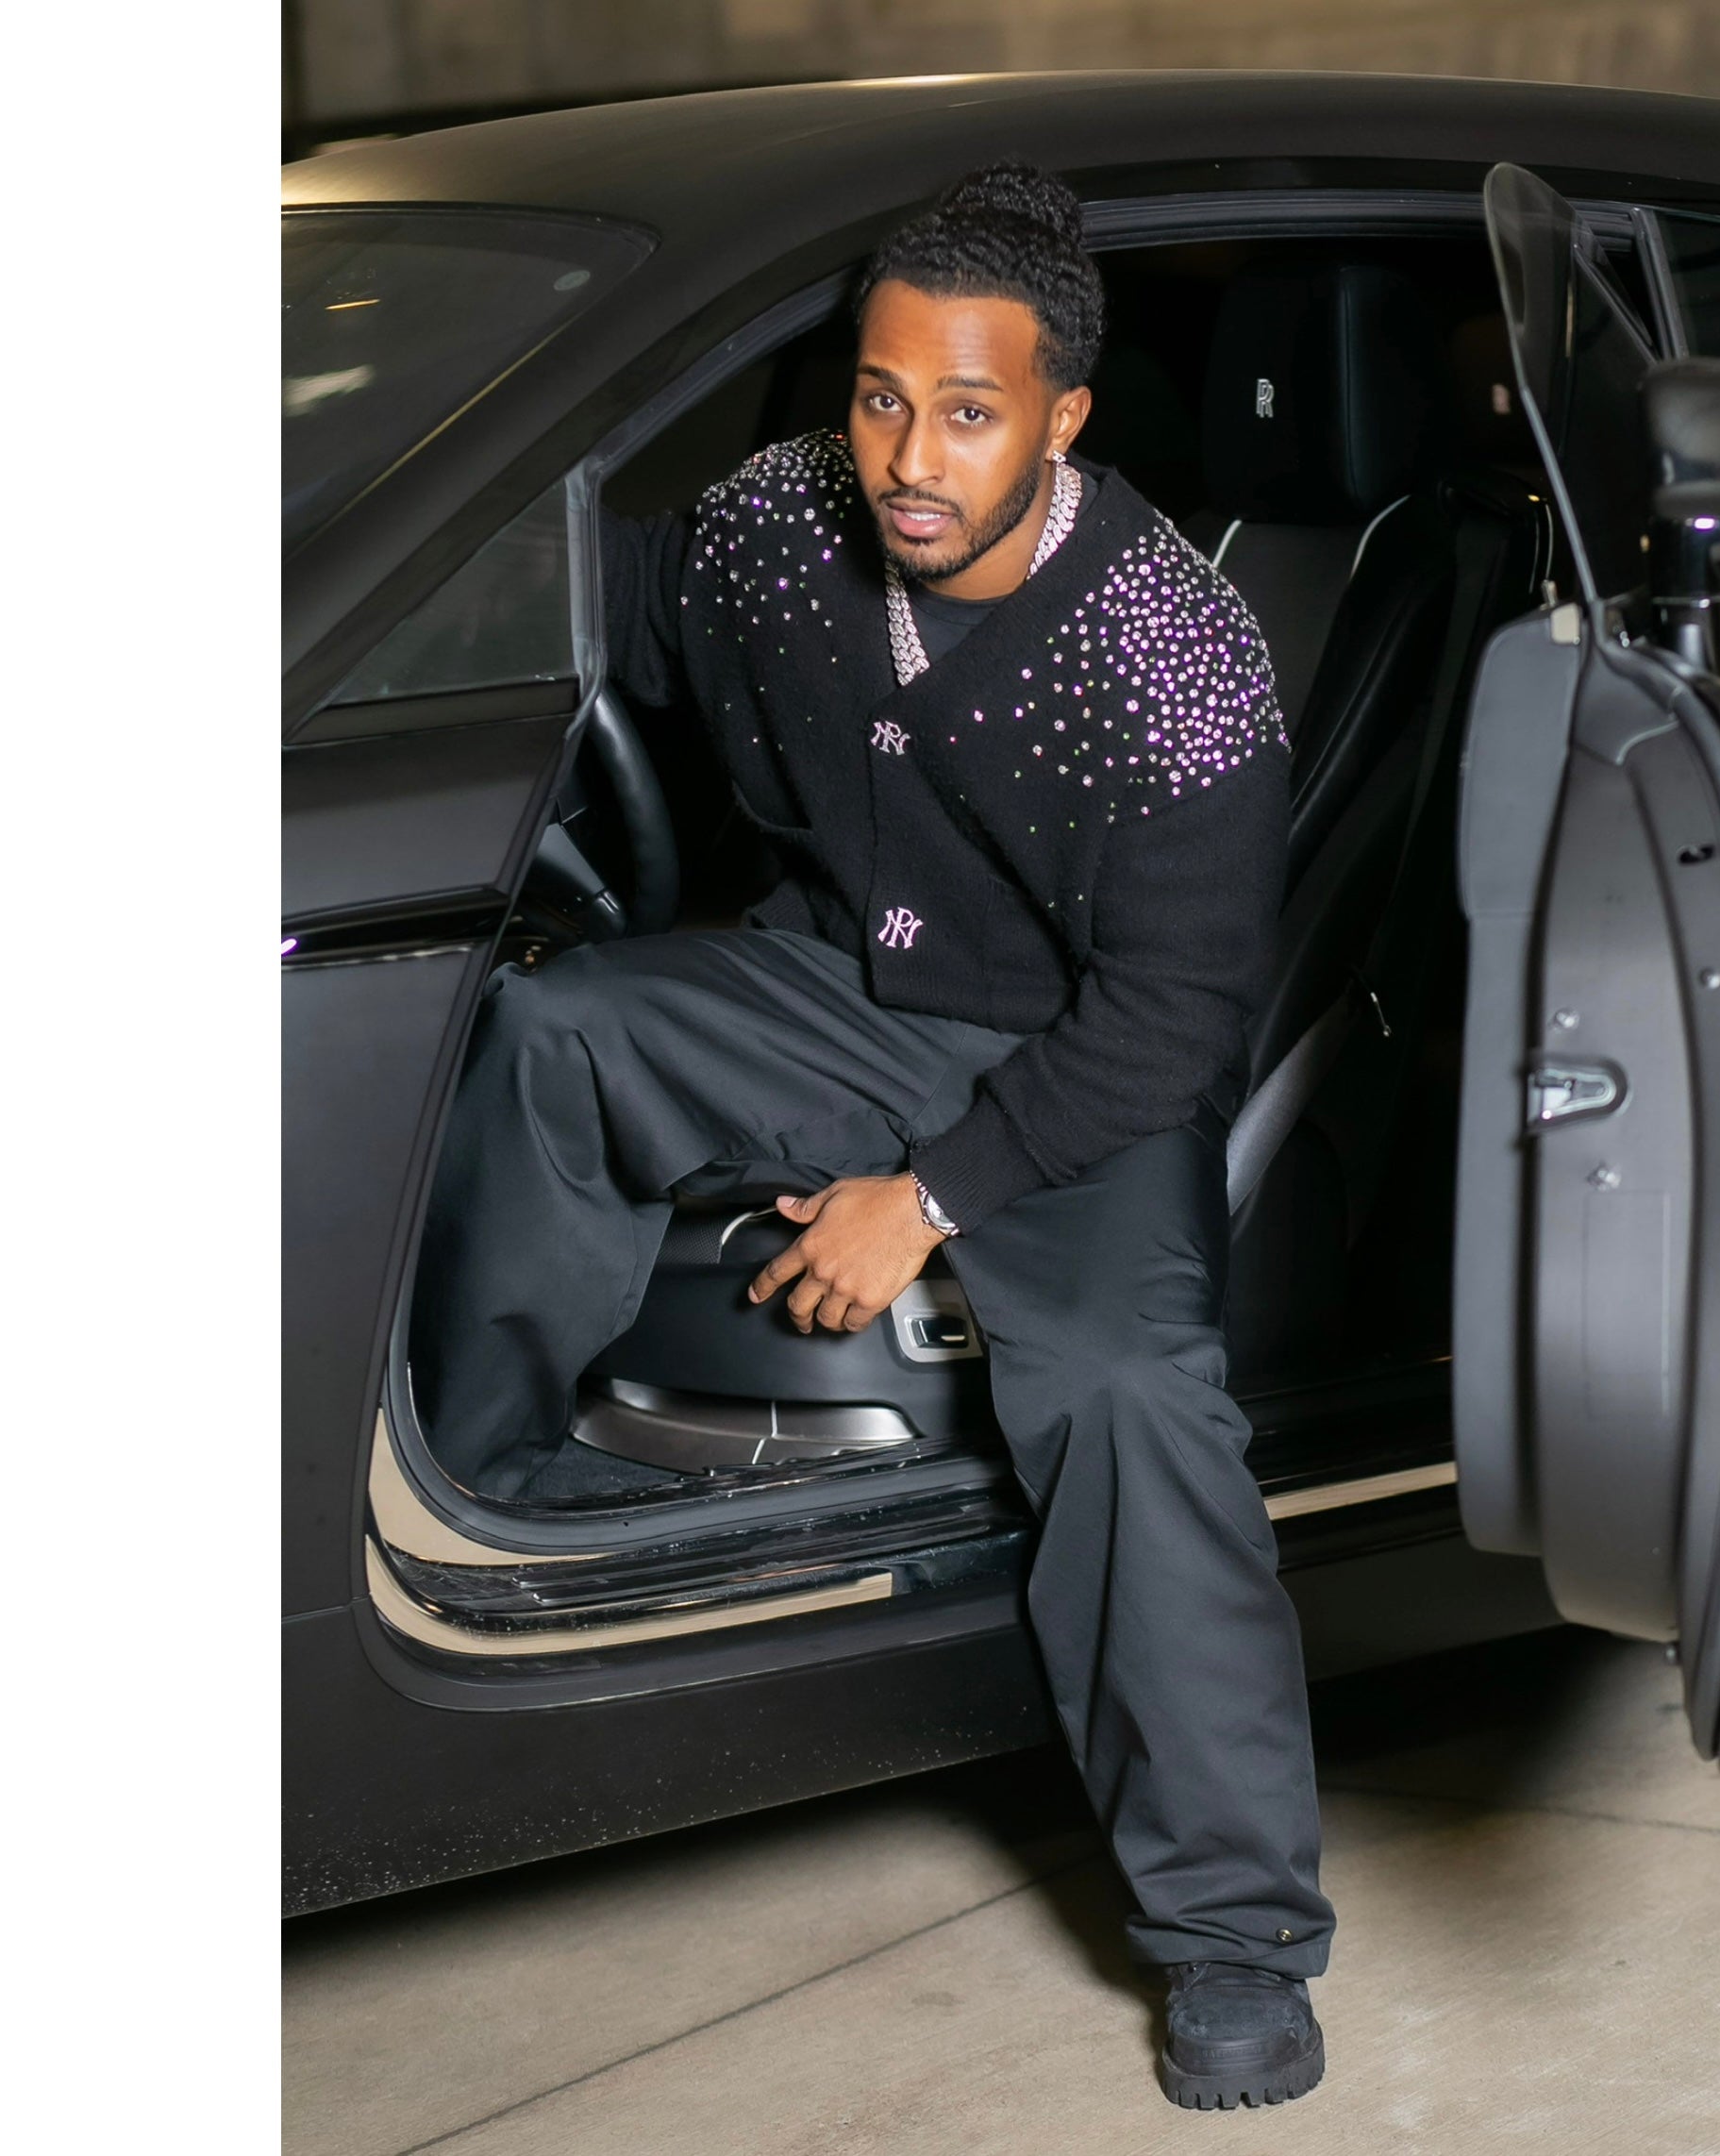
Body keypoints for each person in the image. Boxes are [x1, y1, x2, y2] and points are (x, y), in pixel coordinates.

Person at [411, 162, 1332, 2110]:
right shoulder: (780, 528)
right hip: (830, 993)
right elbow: (596, 604)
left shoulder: (1174, 660)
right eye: (880, 395)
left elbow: (1173, 1017)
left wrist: (928, 1199)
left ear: (1065, 417)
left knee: (1128, 1400)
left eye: (970, 411)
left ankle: (1236, 1940)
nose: (911, 457)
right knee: (570, 1028)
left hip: (1079, 1075)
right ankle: (503, 1465)